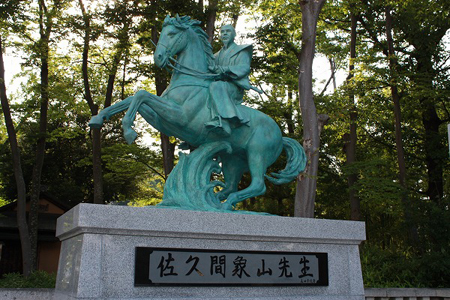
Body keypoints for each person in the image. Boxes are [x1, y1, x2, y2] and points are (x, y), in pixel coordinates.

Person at [205, 24, 261, 137]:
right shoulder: (215, 56)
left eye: (228, 31)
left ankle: (225, 121)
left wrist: (223, 69)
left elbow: (244, 68)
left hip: (233, 88)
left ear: (234, 34)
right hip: (219, 85)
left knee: (216, 86)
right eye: (222, 32)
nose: (225, 33)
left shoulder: (241, 52)